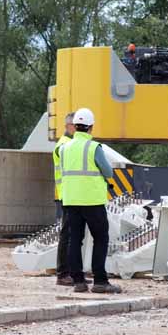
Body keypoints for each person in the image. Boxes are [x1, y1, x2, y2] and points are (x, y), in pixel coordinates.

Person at [59, 108, 121, 294]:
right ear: (90, 127)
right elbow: (108, 172)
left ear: (75, 127)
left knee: (74, 240)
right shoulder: (94, 147)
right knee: (100, 239)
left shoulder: (63, 148)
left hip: (70, 200)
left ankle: (78, 281)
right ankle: (100, 281)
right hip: (92, 200)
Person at [52, 111, 85, 286]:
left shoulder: (68, 144)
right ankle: (63, 273)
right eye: (78, 125)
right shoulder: (64, 145)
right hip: (66, 196)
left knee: (73, 235)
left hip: (70, 195)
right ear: (70, 126)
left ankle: (72, 272)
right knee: (67, 235)